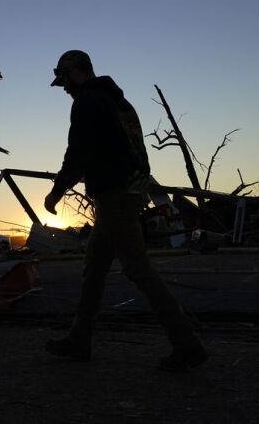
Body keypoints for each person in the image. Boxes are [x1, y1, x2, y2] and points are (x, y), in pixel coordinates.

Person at [43, 50, 208, 371]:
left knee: (138, 268)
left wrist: (58, 189)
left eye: (64, 80)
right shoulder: (119, 102)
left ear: (76, 72)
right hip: (124, 191)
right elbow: (136, 148)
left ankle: (187, 343)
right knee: (94, 267)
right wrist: (140, 183)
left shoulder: (88, 101)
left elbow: (78, 150)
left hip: (114, 195)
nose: (63, 88)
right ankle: (79, 339)